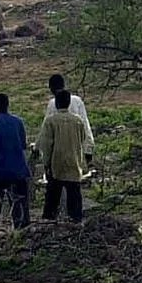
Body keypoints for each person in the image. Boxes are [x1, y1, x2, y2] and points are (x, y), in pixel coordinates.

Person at [35, 87, 92, 223]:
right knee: (75, 197)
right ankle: (76, 223)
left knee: (52, 199)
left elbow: (47, 145)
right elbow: (83, 139)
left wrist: (46, 164)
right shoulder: (78, 121)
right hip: (74, 164)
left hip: (56, 165)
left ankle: (48, 222)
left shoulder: (51, 121)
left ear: (56, 104)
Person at [0, 92, 31, 230]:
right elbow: (23, 145)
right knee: (20, 201)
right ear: (8, 105)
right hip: (18, 169)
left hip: (0, 170)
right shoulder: (18, 122)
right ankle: (23, 226)